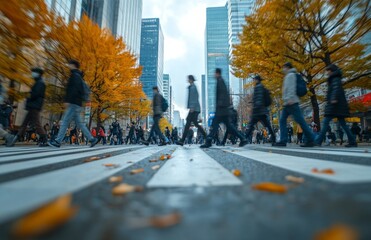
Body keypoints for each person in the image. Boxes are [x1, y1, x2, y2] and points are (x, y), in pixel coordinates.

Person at [48, 59, 98, 148]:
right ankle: (92, 139)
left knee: (65, 122)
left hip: (73, 103)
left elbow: (72, 90)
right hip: (77, 104)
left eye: (69, 64)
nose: (68, 66)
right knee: (80, 124)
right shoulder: (78, 76)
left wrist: (68, 100)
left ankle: (57, 141)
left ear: (73, 65)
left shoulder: (74, 76)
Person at [201, 68, 247, 148]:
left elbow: (222, 96)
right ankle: (243, 139)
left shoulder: (220, 81)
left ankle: (208, 141)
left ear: (217, 73)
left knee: (215, 125)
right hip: (223, 110)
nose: (214, 75)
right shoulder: (220, 81)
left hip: (221, 110)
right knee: (229, 127)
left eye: (215, 73)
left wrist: (219, 107)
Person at [273, 62, 315, 147]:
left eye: (284, 67)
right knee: (283, 120)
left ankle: (310, 139)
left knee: (300, 121)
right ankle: (283, 140)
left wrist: (290, 98)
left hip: (291, 102)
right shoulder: (289, 75)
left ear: (287, 67)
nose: (283, 69)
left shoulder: (291, 75)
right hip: (288, 102)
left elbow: (291, 88)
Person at [314, 64, 357, 147]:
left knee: (325, 122)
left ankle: (318, 141)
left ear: (331, 70)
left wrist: (333, 99)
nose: (327, 72)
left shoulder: (335, 78)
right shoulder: (336, 78)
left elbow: (335, 88)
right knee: (343, 124)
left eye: (328, 70)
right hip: (338, 107)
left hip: (334, 105)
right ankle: (352, 141)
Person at [11, 68, 48, 146]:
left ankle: (44, 138)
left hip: (34, 105)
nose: (32, 73)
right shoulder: (38, 82)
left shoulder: (40, 83)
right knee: (25, 123)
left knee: (36, 123)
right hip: (33, 105)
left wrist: (29, 97)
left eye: (34, 72)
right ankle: (15, 138)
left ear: (38, 73)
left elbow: (35, 94)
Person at [243, 75, 276, 145]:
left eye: (254, 79)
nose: (253, 81)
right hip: (262, 111)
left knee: (251, 125)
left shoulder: (258, 87)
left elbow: (259, 99)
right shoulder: (261, 87)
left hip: (258, 111)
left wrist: (255, 108)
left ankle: (244, 139)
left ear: (257, 80)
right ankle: (273, 138)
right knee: (267, 125)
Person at [176, 75, 207, 146]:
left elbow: (195, 97)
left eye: (188, 79)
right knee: (195, 124)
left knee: (188, 123)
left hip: (194, 108)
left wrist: (192, 107)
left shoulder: (193, 87)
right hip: (195, 108)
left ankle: (182, 140)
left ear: (191, 79)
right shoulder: (192, 87)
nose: (187, 80)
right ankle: (207, 137)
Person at [0, 82, 15, 147]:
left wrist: (10, 124)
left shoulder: (8, 107)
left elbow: (7, 115)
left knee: (4, 130)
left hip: (4, 122)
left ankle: (8, 137)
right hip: (2, 121)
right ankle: (8, 137)